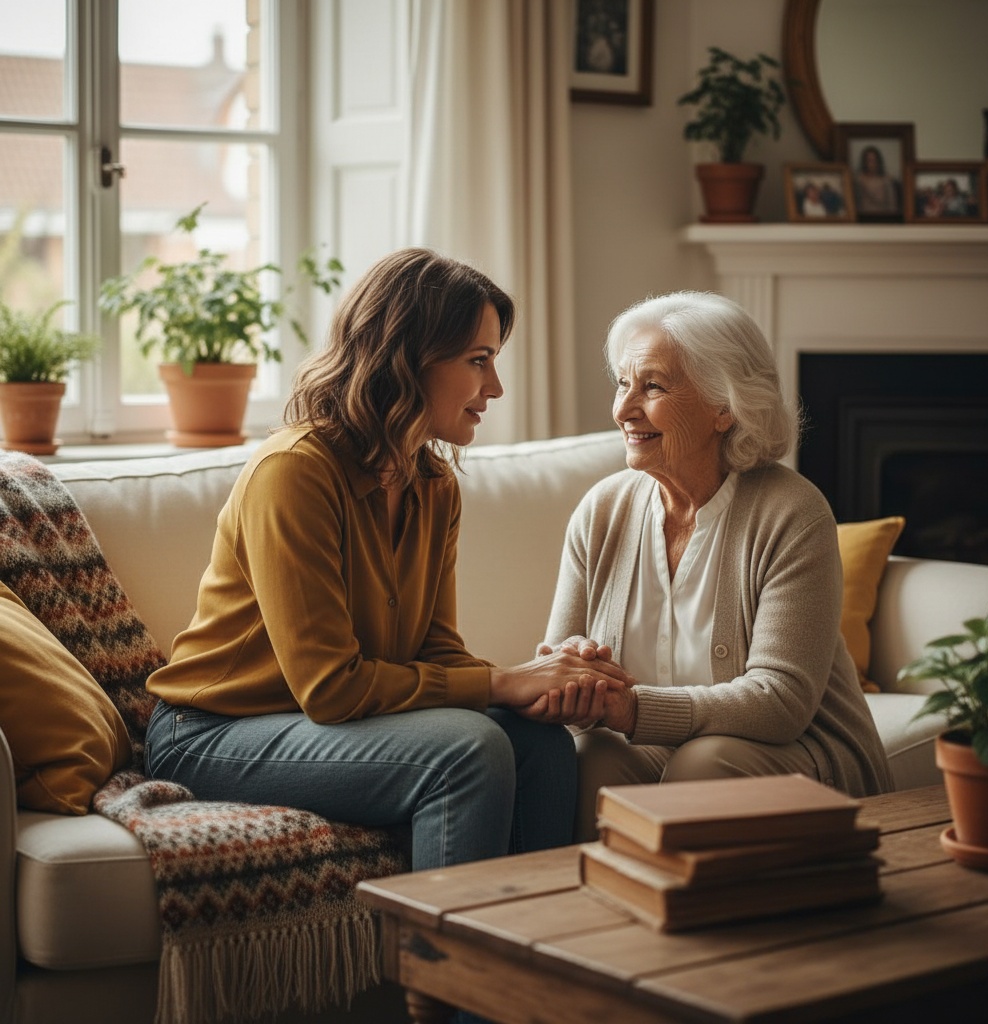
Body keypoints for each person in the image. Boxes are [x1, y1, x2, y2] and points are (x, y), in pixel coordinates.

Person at [144, 247, 632, 870]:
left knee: (541, 745)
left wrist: (537, 690)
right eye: (478, 361)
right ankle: (444, 966)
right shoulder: (293, 473)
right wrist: (503, 683)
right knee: (469, 749)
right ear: (408, 359)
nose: (495, 387)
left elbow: (434, 652)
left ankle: (529, 955)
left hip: (313, 725)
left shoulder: (434, 485)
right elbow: (330, 688)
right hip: (211, 735)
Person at [536, 290, 894, 841]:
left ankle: (704, 923)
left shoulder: (792, 511)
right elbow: (561, 666)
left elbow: (780, 703)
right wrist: (574, 672)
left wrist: (632, 709)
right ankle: (597, 917)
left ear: (724, 406)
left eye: (652, 386)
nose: (623, 408)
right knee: (595, 760)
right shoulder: (602, 510)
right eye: (622, 383)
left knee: (705, 764)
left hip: (801, 755)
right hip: (659, 752)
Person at [853, 144, 901, 216]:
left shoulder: (886, 180)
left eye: (874, 160)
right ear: (864, 162)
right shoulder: (858, 180)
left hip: (884, 218)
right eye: (869, 160)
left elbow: (892, 205)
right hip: (863, 218)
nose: (872, 164)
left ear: (878, 161)